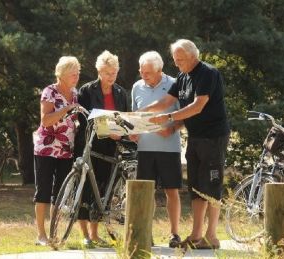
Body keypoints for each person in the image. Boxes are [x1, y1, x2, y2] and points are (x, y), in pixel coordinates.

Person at [146, 39, 230, 249]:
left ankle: (211, 237)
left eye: (180, 59)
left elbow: (198, 106)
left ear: (193, 56)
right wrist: (140, 113)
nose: (177, 64)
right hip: (195, 137)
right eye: (175, 60)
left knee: (211, 186)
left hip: (213, 137)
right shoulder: (183, 77)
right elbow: (165, 101)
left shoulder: (208, 73)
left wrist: (170, 118)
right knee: (195, 187)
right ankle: (195, 235)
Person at [75, 50, 129, 246]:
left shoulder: (121, 93)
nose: (111, 76)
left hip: (111, 147)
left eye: (114, 72)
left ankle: (95, 232)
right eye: (108, 72)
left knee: (103, 189)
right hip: (89, 144)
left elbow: (124, 118)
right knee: (85, 187)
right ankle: (85, 235)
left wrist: (124, 133)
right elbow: (83, 118)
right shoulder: (87, 91)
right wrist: (106, 130)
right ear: (99, 71)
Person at [130, 51, 183, 248]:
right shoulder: (137, 87)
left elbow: (184, 116)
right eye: (142, 71)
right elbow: (134, 115)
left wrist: (172, 129)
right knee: (146, 192)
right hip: (144, 149)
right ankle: (146, 232)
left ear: (160, 70)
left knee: (172, 191)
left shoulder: (175, 84)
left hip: (169, 148)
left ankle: (175, 234)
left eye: (148, 72)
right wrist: (132, 133)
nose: (144, 75)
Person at [33, 56, 81, 246]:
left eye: (78, 74)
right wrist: (67, 108)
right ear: (61, 74)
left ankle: (54, 233)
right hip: (46, 148)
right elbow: (46, 121)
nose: (76, 78)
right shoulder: (49, 92)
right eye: (72, 74)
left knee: (60, 194)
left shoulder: (75, 93)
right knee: (43, 191)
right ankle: (41, 235)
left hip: (66, 149)